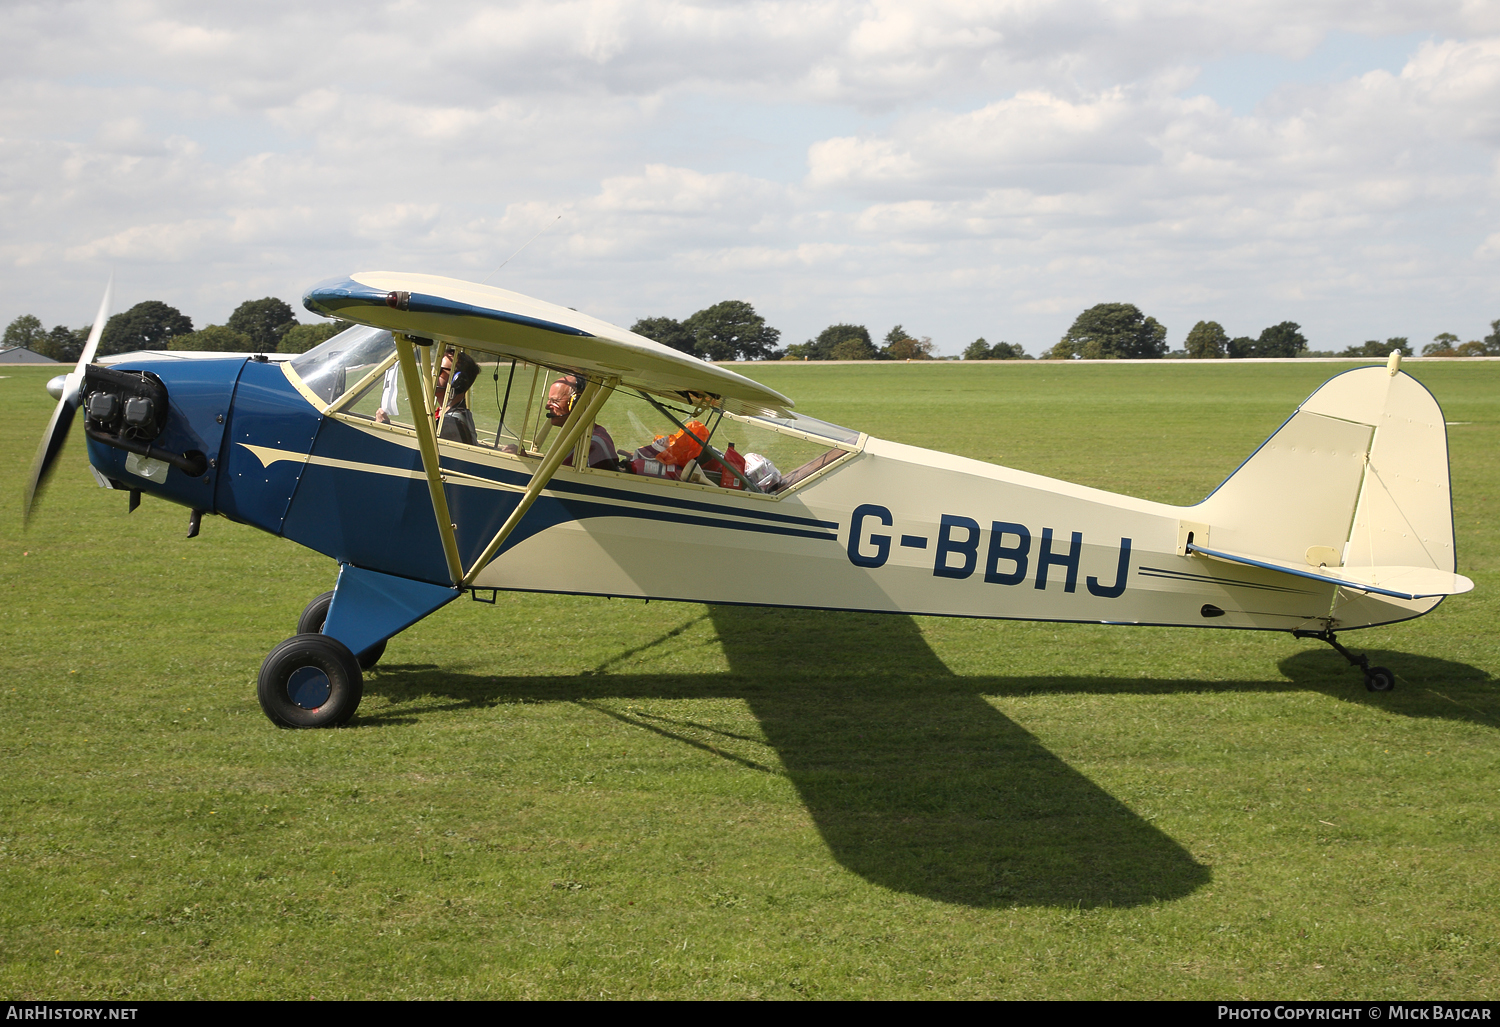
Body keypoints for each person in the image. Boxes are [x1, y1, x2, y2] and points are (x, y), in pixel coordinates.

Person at [546, 374, 617, 469]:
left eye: (554, 401)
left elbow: (562, 476)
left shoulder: (592, 443)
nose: (547, 406)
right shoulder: (576, 435)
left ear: (576, 403)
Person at [437, 348, 480, 446]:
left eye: (440, 371)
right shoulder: (459, 415)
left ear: (457, 381)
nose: (433, 374)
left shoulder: (450, 423)